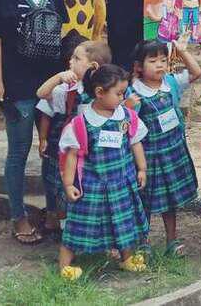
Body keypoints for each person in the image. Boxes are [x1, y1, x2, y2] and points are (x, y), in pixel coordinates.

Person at [0, 0, 68, 245]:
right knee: (18, 151)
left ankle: (53, 212)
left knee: (52, 152)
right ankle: (18, 216)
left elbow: (58, 32)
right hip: (17, 84)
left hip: (51, 83)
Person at [58, 65, 149, 280]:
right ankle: (64, 266)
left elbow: (135, 143)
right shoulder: (81, 124)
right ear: (99, 92)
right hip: (93, 187)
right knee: (79, 225)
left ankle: (126, 258)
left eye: (124, 92)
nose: (123, 98)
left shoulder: (127, 116)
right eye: (118, 93)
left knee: (124, 222)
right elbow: (72, 155)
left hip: (122, 184)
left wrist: (142, 169)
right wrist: (69, 184)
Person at [126, 35, 201, 256]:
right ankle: (142, 242)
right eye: (153, 61)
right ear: (139, 67)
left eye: (163, 60)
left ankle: (172, 240)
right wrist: (127, 107)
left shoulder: (170, 83)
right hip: (149, 157)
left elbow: (196, 72)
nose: (160, 65)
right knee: (145, 200)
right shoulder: (134, 93)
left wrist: (183, 51)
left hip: (173, 153)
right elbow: (126, 125)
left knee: (170, 201)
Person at [36, 38, 112, 235]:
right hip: (71, 152)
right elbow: (42, 93)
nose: (70, 61)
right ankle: (66, 233)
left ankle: (93, 232)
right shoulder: (67, 89)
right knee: (64, 191)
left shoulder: (105, 92)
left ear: (93, 66)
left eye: (76, 58)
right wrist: (58, 77)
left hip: (95, 154)